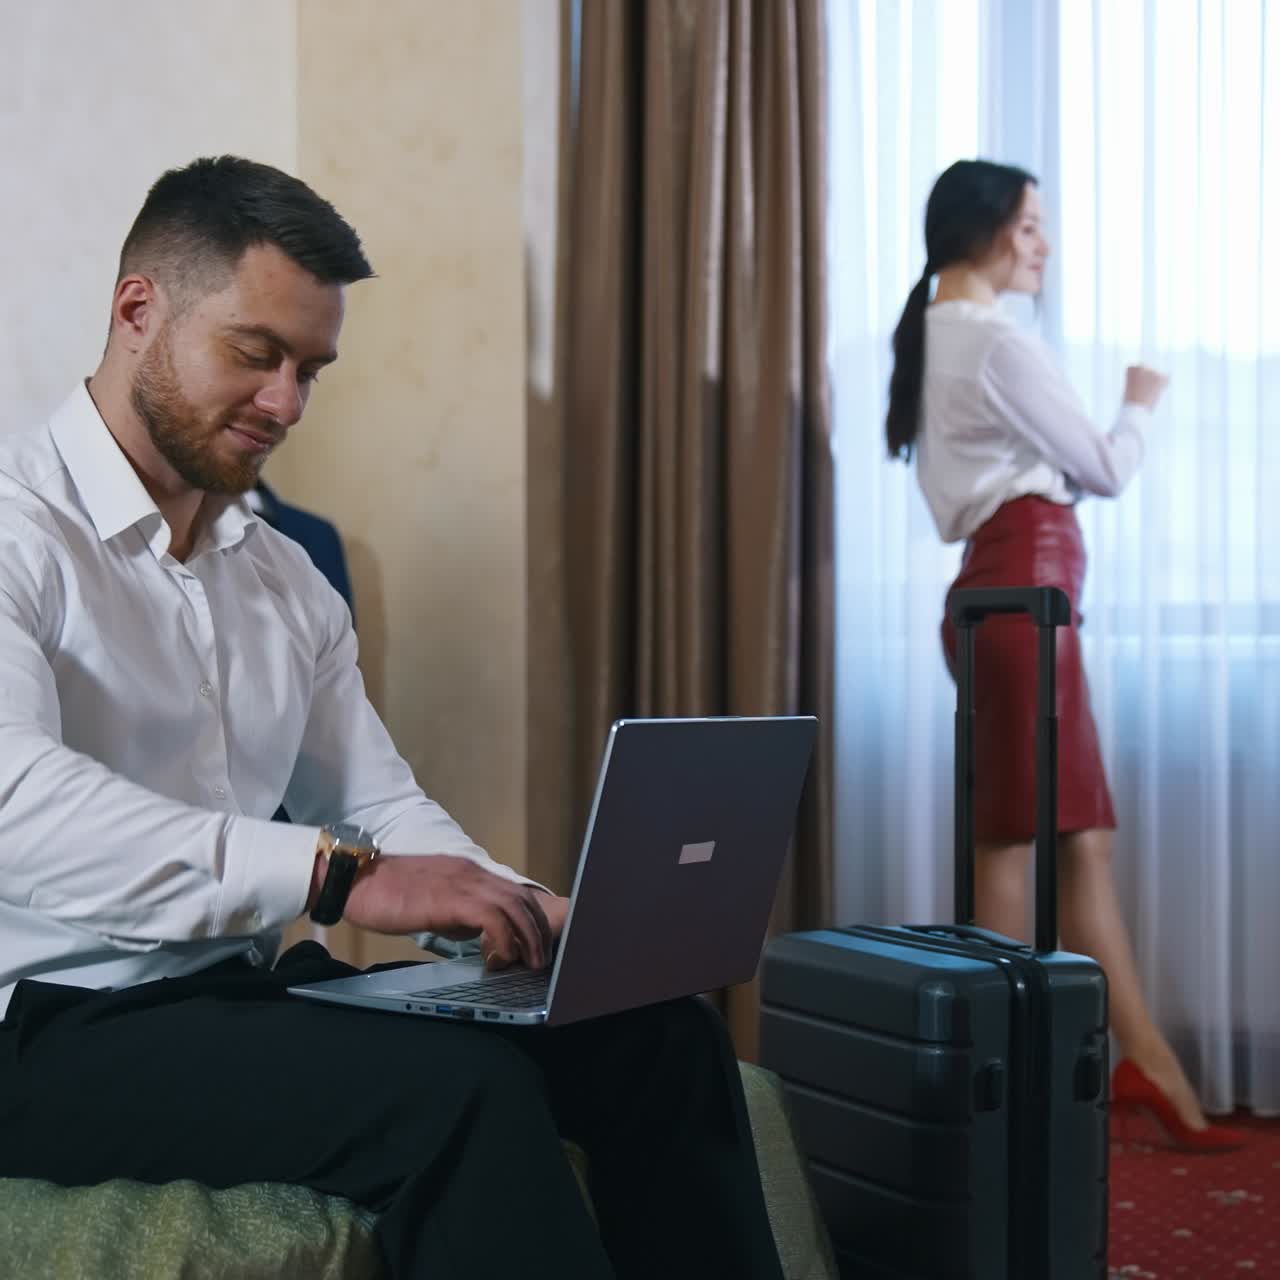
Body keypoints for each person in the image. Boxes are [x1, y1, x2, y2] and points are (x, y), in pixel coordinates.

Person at [0, 155, 787, 1279]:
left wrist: (506, 905)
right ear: (138, 310)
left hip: (232, 997)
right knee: (458, 1099)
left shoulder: (282, 578)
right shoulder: (16, 529)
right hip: (40, 1024)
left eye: (310, 369)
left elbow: (370, 796)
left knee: (659, 1037)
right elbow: (16, 803)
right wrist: (339, 876)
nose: (285, 403)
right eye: (255, 353)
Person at [885, 158, 1243, 1152]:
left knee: (1076, 836)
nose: (1041, 246)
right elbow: (1100, 469)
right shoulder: (992, 339)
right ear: (988, 228)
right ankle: (1006, 1085)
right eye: (1031, 227)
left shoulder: (938, 334)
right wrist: (1138, 400)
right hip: (1019, 601)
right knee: (1018, 837)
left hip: (1011, 597)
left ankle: (1140, 1061)